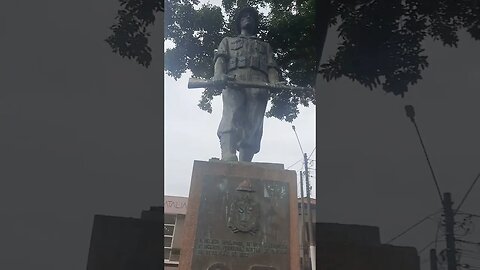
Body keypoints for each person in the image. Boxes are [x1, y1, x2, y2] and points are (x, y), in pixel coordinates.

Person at [214, 6, 280, 162]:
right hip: (233, 81)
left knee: (254, 123)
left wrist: (274, 81)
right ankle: (228, 153)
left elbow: (272, 67)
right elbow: (220, 59)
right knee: (232, 114)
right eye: (244, 16)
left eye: (251, 16)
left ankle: (245, 159)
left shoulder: (265, 46)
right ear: (238, 22)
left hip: (259, 85)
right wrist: (218, 74)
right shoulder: (228, 41)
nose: (248, 17)